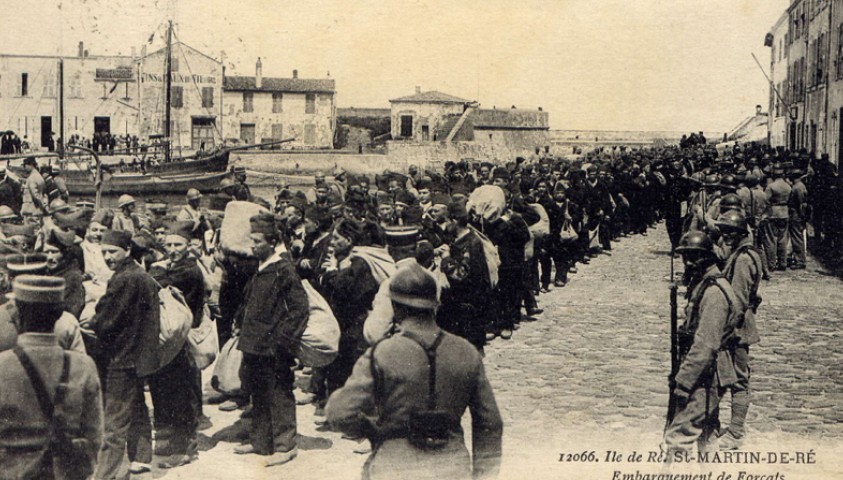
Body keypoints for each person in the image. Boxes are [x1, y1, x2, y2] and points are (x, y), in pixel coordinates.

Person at [326, 264, 503, 480]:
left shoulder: (382, 353)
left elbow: (338, 413)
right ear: (435, 306)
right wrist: (484, 475)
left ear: (396, 307)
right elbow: (490, 423)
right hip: (452, 466)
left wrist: (371, 430)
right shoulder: (466, 352)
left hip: (394, 466)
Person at [0, 275, 103, 479]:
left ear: (17, 313)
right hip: (66, 472)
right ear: (58, 314)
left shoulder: (3, 365)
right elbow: (94, 435)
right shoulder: (83, 366)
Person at [232, 213, 309, 465]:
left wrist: (282, 342)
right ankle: (261, 442)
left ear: (272, 241)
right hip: (254, 345)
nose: (252, 245)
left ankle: (285, 445)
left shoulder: (283, 269)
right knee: (259, 393)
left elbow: (299, 309)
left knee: (279, 394)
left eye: (257, 241)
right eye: (251, 240)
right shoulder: (260, 269)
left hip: (273, 348)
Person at [90, 229, 160, 478]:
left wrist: (93, 320)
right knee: (136, 403)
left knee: (115, 419)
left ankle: (105, 474)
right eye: (104, 252)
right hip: (138, 354)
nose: (108, 257)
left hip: (122, 355)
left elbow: (107, 319)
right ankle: (141, 456)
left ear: (127, 250)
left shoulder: (125, 279)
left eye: (112, 251)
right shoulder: (137, 274)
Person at [664, 230, 739, 455]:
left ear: (703, 259)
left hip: (706, 375)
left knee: (678, 435)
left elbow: (705, 346)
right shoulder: (706, 285)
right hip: (705, 373)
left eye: (691, 257)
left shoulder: (714, 292)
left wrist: (683, 382)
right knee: (707, 434)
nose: (686, 263)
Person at [148, 220, 205, 468]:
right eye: (169, 244)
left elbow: (159, 280)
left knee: (181, 392)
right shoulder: (170, 265)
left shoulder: (190, 270)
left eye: (177, 244)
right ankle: (171, 436)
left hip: (182, 339)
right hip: (168, 337)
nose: (172, 248)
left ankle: (185, 448)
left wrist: (155, 268)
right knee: (164, 388)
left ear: (188, 245)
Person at [715, 211, 763, 451]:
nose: (725, 237)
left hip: (737, 327)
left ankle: (735, 432)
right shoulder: (741, 253)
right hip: (737, 325)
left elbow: (738, 300)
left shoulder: (743, 259)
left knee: (738, 379)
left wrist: (724, 330)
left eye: (729, 233)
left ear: (740, 234)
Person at [760, 166, 791, 272]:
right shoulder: (788, 186)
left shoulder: (771, 186)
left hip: (773, 213)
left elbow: (765, 200)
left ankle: (771, 264)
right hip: (785, 212)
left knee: (771, 239)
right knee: (783, 239)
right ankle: (783, 262)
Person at [787, 168, 808, 270]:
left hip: (796, 215)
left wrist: (802, 216)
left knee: (797, 239)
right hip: (797, 214)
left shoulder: (797, 187)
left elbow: (801, 204)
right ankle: (798, 258)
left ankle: (800, 260)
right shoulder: (800, 186)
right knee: (797, 238)